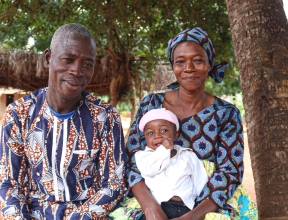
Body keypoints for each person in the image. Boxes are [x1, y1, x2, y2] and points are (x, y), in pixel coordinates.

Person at [126, 27, 258, 220]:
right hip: (151, 196)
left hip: (206, 203)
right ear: (173, 66)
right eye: (180, 61)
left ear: (209, 64)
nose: (189, 68)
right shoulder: (151, 104)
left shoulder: (226, 113)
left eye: (197, 60)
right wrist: (150, 207)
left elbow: (229, 172)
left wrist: (193, 216)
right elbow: (131, 161)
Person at [0, 23, 126, 219]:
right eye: (68, 59)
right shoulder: (19, 114)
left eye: (87, 64)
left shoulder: (105, 117)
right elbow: (9, 183)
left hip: (87, 215)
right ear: (48, 58)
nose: (77, 71)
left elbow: (113, 185)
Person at [135, 108, 208, 219]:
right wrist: (164, 149)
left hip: (187, 208)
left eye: (164, 131)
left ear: (175, 134)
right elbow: (150, 170)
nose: (157, 136)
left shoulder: (187, 155)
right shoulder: (143, 156)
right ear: (145, 138)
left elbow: (200, 182)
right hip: (159, 208)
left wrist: (200, 207)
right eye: (150, 133)